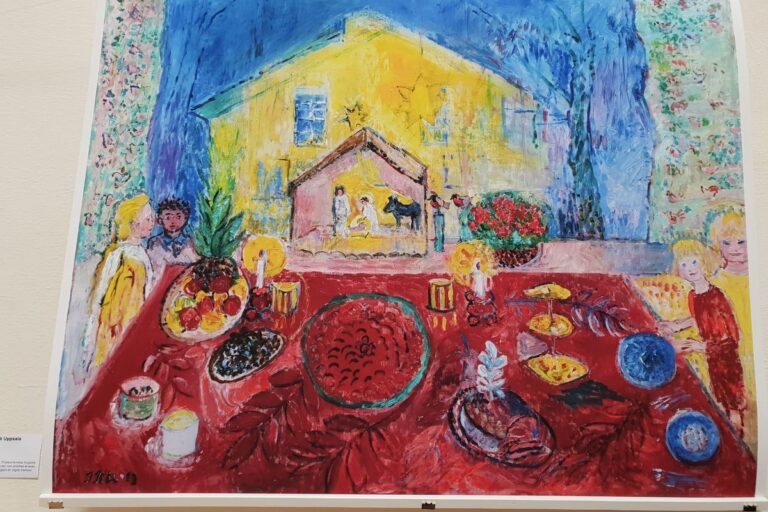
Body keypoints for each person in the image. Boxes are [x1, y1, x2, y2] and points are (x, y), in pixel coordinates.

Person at [659, 239, 746, 433]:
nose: (690, 268)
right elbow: (699, 318)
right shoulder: (693, 295)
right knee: (718, 398)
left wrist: (697, 346)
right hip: (712, 357)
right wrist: (676, 325)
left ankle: (737, 435)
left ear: (704, 262)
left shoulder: (716, 297)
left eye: (694, 262)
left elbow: (731, 339)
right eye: (684, 264)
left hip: (727, 360)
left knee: (732, 404)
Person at [79, 194, 156, 377]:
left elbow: (147, 291)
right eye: (147, 219)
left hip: (134, 324)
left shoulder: (142, 254)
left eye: (152, 218)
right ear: (133, 223)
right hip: (113, 328)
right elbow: (100, 294)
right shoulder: (118, 254)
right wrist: (90, 340)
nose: (153, 222)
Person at [709, 211, 755, 445]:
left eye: (741, 241)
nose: (734, 248)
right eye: (726, 243)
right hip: (732, 353)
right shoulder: (717, 282)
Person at [147, 197, 198, 275]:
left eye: (178, 217)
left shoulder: (189, 242)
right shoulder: (154, 242)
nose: (173, 221)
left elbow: (194, 264)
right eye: (168, 217)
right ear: (160, 220)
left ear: (185, 219)